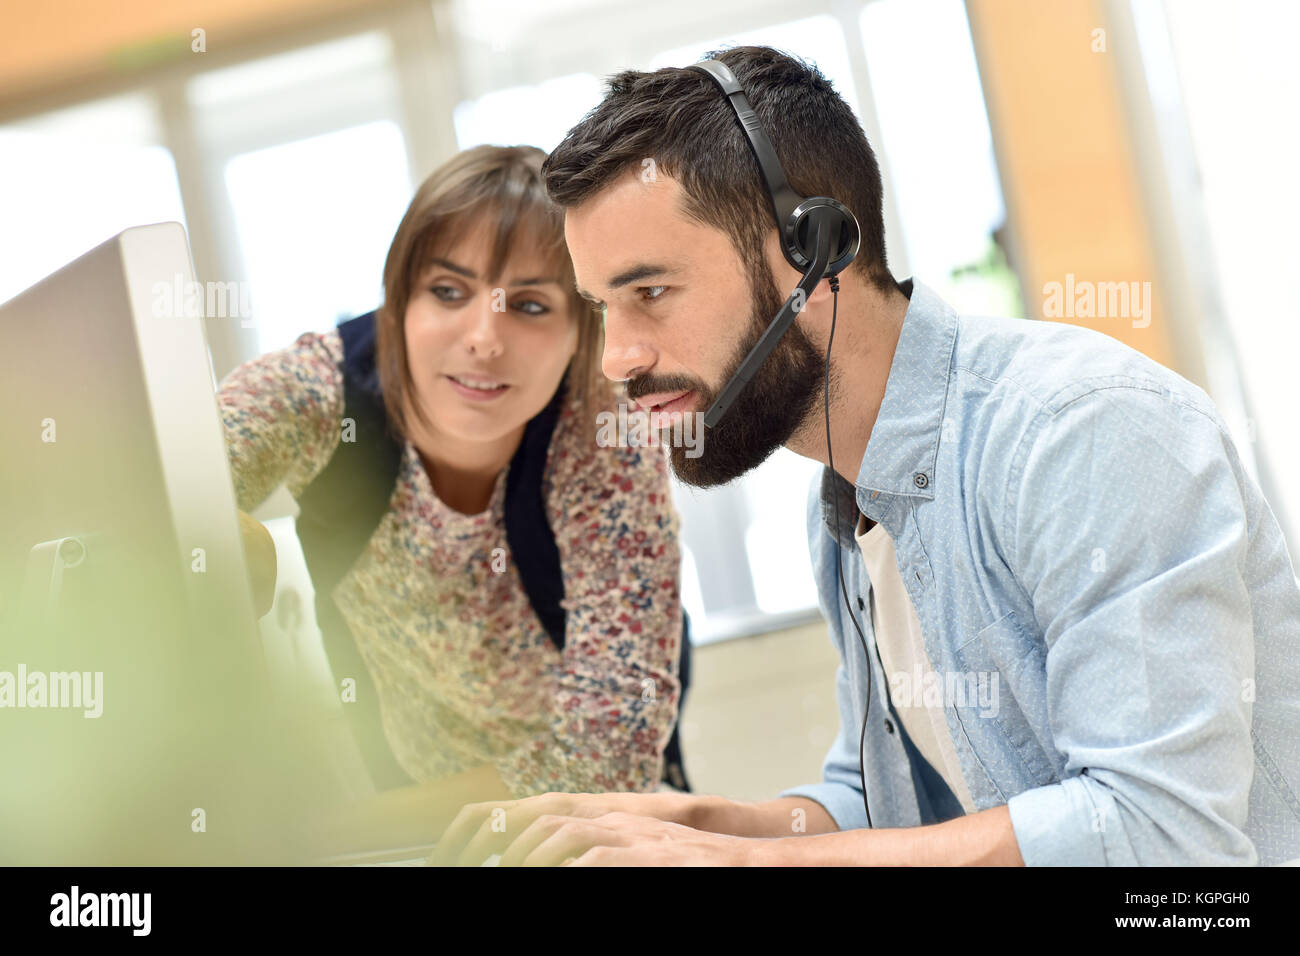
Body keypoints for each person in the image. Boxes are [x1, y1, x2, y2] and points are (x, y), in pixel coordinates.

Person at [430, 46, 1300, 866]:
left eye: (650, 292)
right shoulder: (849, 498)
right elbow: (885, 803)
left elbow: (1162, 836)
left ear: (816, 254)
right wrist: (704, 823)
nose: (616, 356)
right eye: (599, 307)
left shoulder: (1080, 433)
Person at [218, 145, 689, 853]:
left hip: (577, 814)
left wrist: (323, 835)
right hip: (405, 778)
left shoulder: (604, 438)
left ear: (580, 335)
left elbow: (607, 759)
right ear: (397, 303)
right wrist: (221, 539)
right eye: (446, 291)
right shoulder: (319, 392)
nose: (482, 339)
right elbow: (150, 498)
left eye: (530, 305)